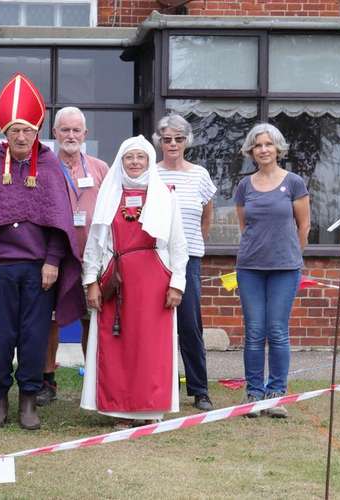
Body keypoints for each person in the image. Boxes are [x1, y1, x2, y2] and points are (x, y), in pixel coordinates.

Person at [0, 73, 84, 430]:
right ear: (5, 133)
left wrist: (53, 261)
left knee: (33, 337)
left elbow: (59, 220)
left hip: (37, 270)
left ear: (37, 132)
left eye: (28, 130)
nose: (21, 136)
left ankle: (29, 400)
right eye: (15, 130)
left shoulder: (48, 167)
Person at [81, 135, 188, 427]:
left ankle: (149, 408)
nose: (135, 162)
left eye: (141, 157)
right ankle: (119, 408)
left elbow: (178, 243)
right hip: (116, 276)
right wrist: (91, 280)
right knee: (117, 345)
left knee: (150, 347)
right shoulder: (109, 194)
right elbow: (95, 242)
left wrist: (177, 283)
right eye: (130, 157)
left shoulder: (165, 195)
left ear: (149, 161)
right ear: (121, 161)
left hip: (154, 280)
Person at [235, 123, 310, 419]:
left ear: (278, 148)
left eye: (268, 144)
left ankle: (276, 393)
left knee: (277, 331)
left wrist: (291, 255)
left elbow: (303, 226)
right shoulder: (244, 186)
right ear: (251, 151)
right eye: (257, 145)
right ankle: (254, 394)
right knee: (254, 332)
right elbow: (245, 226)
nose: (263, 149)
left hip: (285, 269)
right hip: (250, 268)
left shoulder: (293, 183)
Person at [37, 106, 109, 407]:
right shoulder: (42, 167)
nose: (70, 135)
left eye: (75, 130)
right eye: (64, 130)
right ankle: (46, 379)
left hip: (92, 257)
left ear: (85, 134)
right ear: (54, 133)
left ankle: (93, 378)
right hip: (53, 256)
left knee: (91, 317)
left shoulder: (100, 168)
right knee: (49, 319)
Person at [154, 114, 217, 412]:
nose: (173, 144)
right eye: (167, 139)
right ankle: (159, 386)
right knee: (156, 325)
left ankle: (199, 389)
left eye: (178, 139)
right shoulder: (151, 174)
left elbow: (208, 215)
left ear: (187, 141)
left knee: (190, 325)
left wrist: (194, 244)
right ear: (160, 142)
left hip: (189, 259)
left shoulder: (200, 175)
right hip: (156, 259)